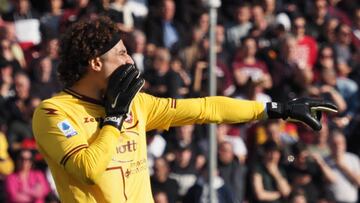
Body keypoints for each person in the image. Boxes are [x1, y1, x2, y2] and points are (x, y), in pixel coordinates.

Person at [31, 16, 337, 203]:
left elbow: (206, 108)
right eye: (122, 54)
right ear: (96, 63)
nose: (130, 62)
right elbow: (87, 171)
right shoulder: (53, 112)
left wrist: (277, 108)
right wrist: (114, 119)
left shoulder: (137, 103)